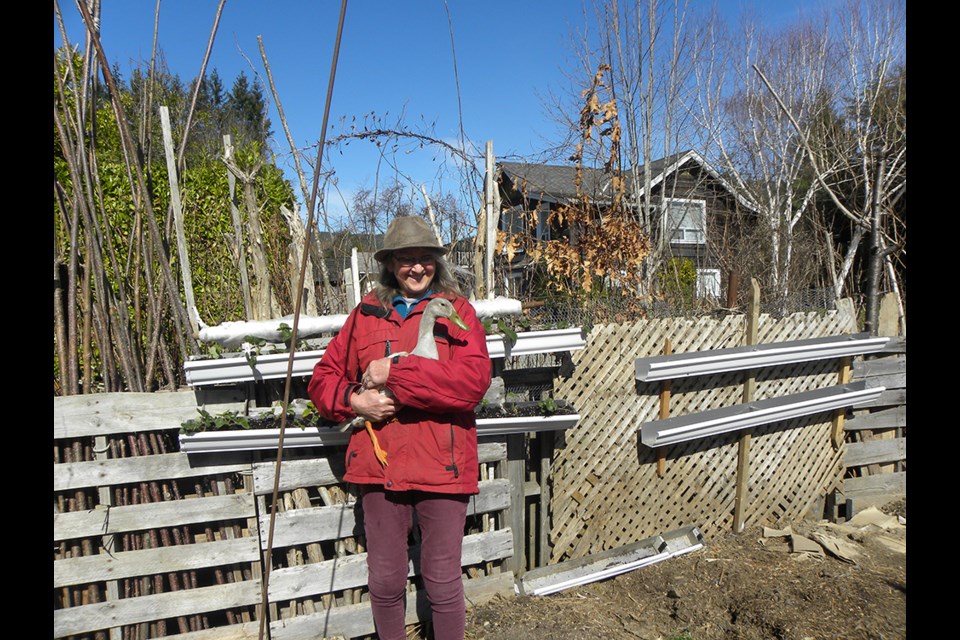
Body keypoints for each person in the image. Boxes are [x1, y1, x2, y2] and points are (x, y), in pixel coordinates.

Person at [307, 215, 492, 640]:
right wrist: (356, 401)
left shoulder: (458, 312)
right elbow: (321, 381)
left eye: (424, 259)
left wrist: (394, 372)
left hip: (442, 466)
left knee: (443, 581)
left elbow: (470, 385)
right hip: (379, 466)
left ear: (437, 262)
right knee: (386, 581)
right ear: (390, 264)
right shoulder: (366, 315)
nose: (416, 268)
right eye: (405, 259)